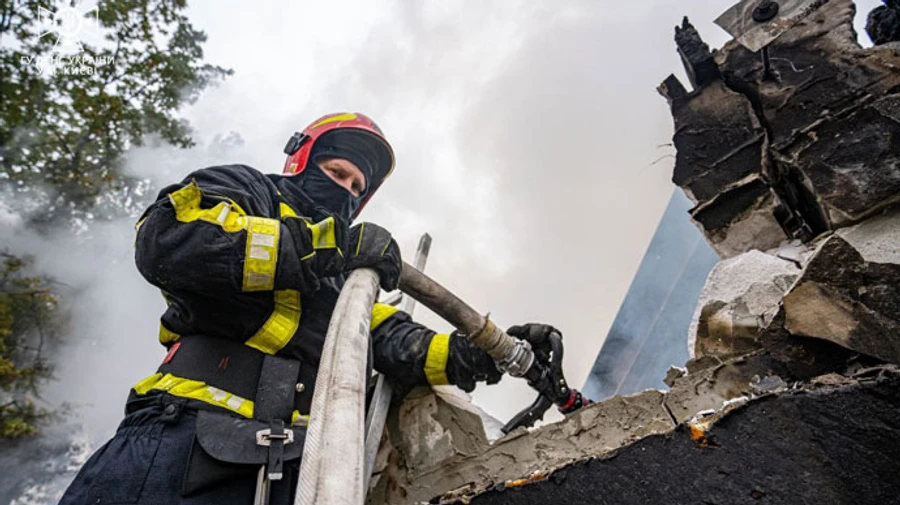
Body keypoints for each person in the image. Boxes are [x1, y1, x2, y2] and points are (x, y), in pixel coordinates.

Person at [60, 112, 560, 505]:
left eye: (357, 187)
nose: (346, 190)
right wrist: (324, 246)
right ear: (303, 160)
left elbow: (394, 341)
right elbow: (169, 242)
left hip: (291, 468)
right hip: (180, 439)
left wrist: (485, 350)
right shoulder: (250, 190)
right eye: (337, 172)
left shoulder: (348, 284)